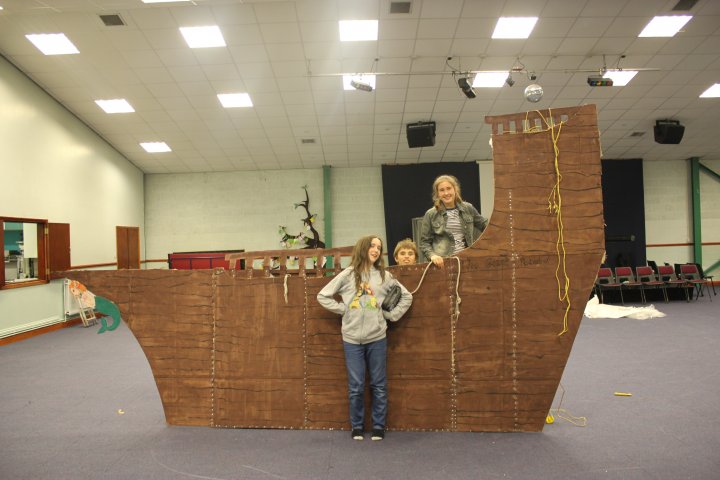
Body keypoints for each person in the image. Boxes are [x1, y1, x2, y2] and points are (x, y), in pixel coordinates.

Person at [316, 235, 412, 442]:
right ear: (363, 248)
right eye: (372, 246)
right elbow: (323, 295)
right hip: (351, 339)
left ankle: (378, 426)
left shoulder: (385, 276)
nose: (376, 250)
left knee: (378, 384)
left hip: (377, 337)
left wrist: (391, 315)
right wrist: (343, 310)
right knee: (356, 386)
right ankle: (357, 427)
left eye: (379, 247)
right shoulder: (348, 274)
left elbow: (407, 296)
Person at [419, 174, 487, 268]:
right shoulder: (431, 214)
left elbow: (485, 226)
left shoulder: (468, 208)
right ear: (437, 193)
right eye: (442, 190)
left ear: (455, 189)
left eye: (449, 188)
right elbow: (424, 243)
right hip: (443, 264)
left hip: (466, 261)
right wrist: (432, 256)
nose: (446, 193)